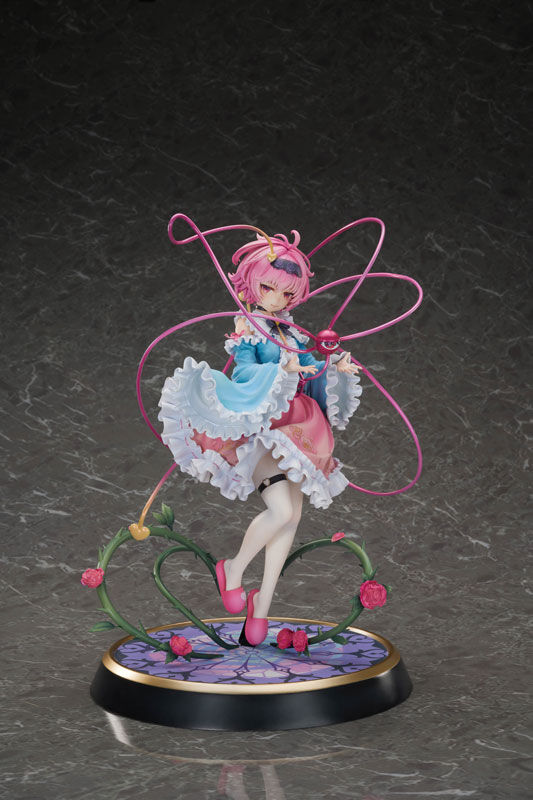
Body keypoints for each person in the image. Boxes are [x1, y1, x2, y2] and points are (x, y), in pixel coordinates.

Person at [158, 230, 362, 644]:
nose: (276, 298)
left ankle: (262, 604)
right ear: (251, 284)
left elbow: (312, 371)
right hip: (266, 425)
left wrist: (334, 365)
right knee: (281, 511)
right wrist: (281, 371)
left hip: (303, 428)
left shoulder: (293, 333)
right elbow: (244, 371)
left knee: (293, 517)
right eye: (268, 288)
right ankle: (233, 568)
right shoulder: (249, 327)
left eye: (286, 293)